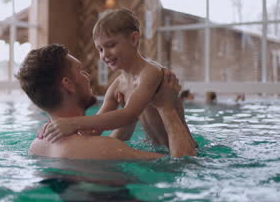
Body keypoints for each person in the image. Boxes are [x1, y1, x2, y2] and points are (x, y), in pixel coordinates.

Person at [42, 9, 195, 148]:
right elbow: (95, 128)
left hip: (185, 149)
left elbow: (128, 115)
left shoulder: (150, 73)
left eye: (111, 45)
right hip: (161, 151)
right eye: (100, 49)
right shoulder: (117, 86)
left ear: (134, 39)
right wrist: (57, 129)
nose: (104, 54)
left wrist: (73, 124)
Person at [16, 44, 196, 160]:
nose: (87, 76)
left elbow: (95, 149)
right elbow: (183, 164)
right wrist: (167, 108)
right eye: (81, 71)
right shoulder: (106, 148)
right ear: (68, 84)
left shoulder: (37, 147)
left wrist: (129, 112)